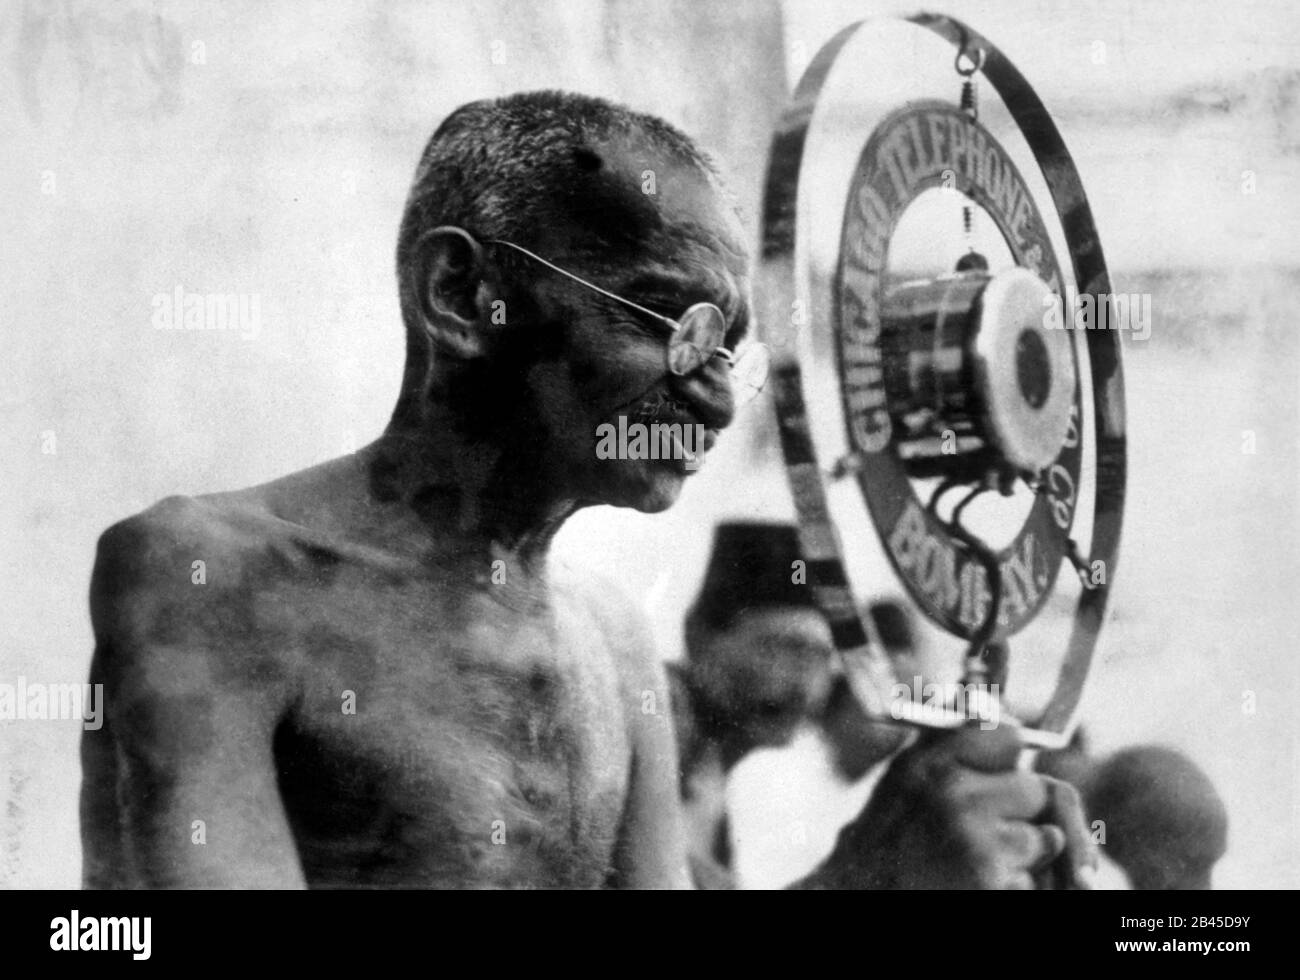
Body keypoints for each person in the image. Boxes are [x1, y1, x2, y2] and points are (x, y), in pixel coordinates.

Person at [81, 90, 1092, 889]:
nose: (712, 401)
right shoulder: (212, 575)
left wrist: (884, 866)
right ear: (463, 298)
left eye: (731, 353)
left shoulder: (611, 642)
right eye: (672, 322)